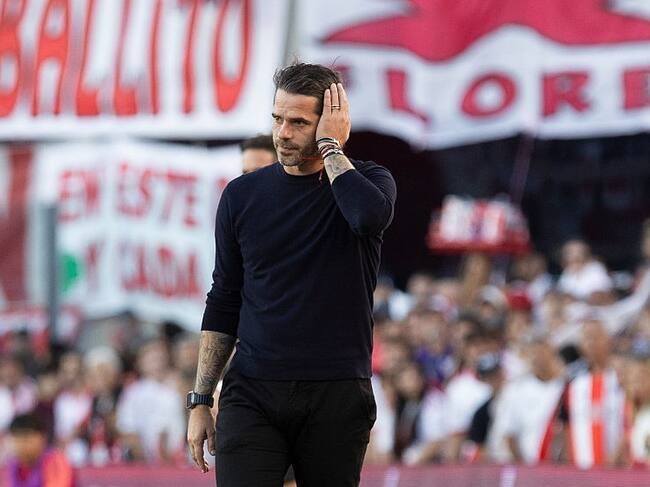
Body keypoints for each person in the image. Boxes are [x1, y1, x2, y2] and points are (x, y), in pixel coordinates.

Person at [186, 62, 396, 486]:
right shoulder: (242, 195)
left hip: (336, 390)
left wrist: (332, 149)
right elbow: (224, 298)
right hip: (253, 390)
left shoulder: (369, 180)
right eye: (277, 118)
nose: (282, 133)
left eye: (298, 122)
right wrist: (201, 399)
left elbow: (368, 218)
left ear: (332, 122)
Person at [4, 413, 75, 487]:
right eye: (16, 440)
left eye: (26, 439)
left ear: (42, 438)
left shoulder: (55, 461)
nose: (21, 445)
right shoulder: (12, 465)